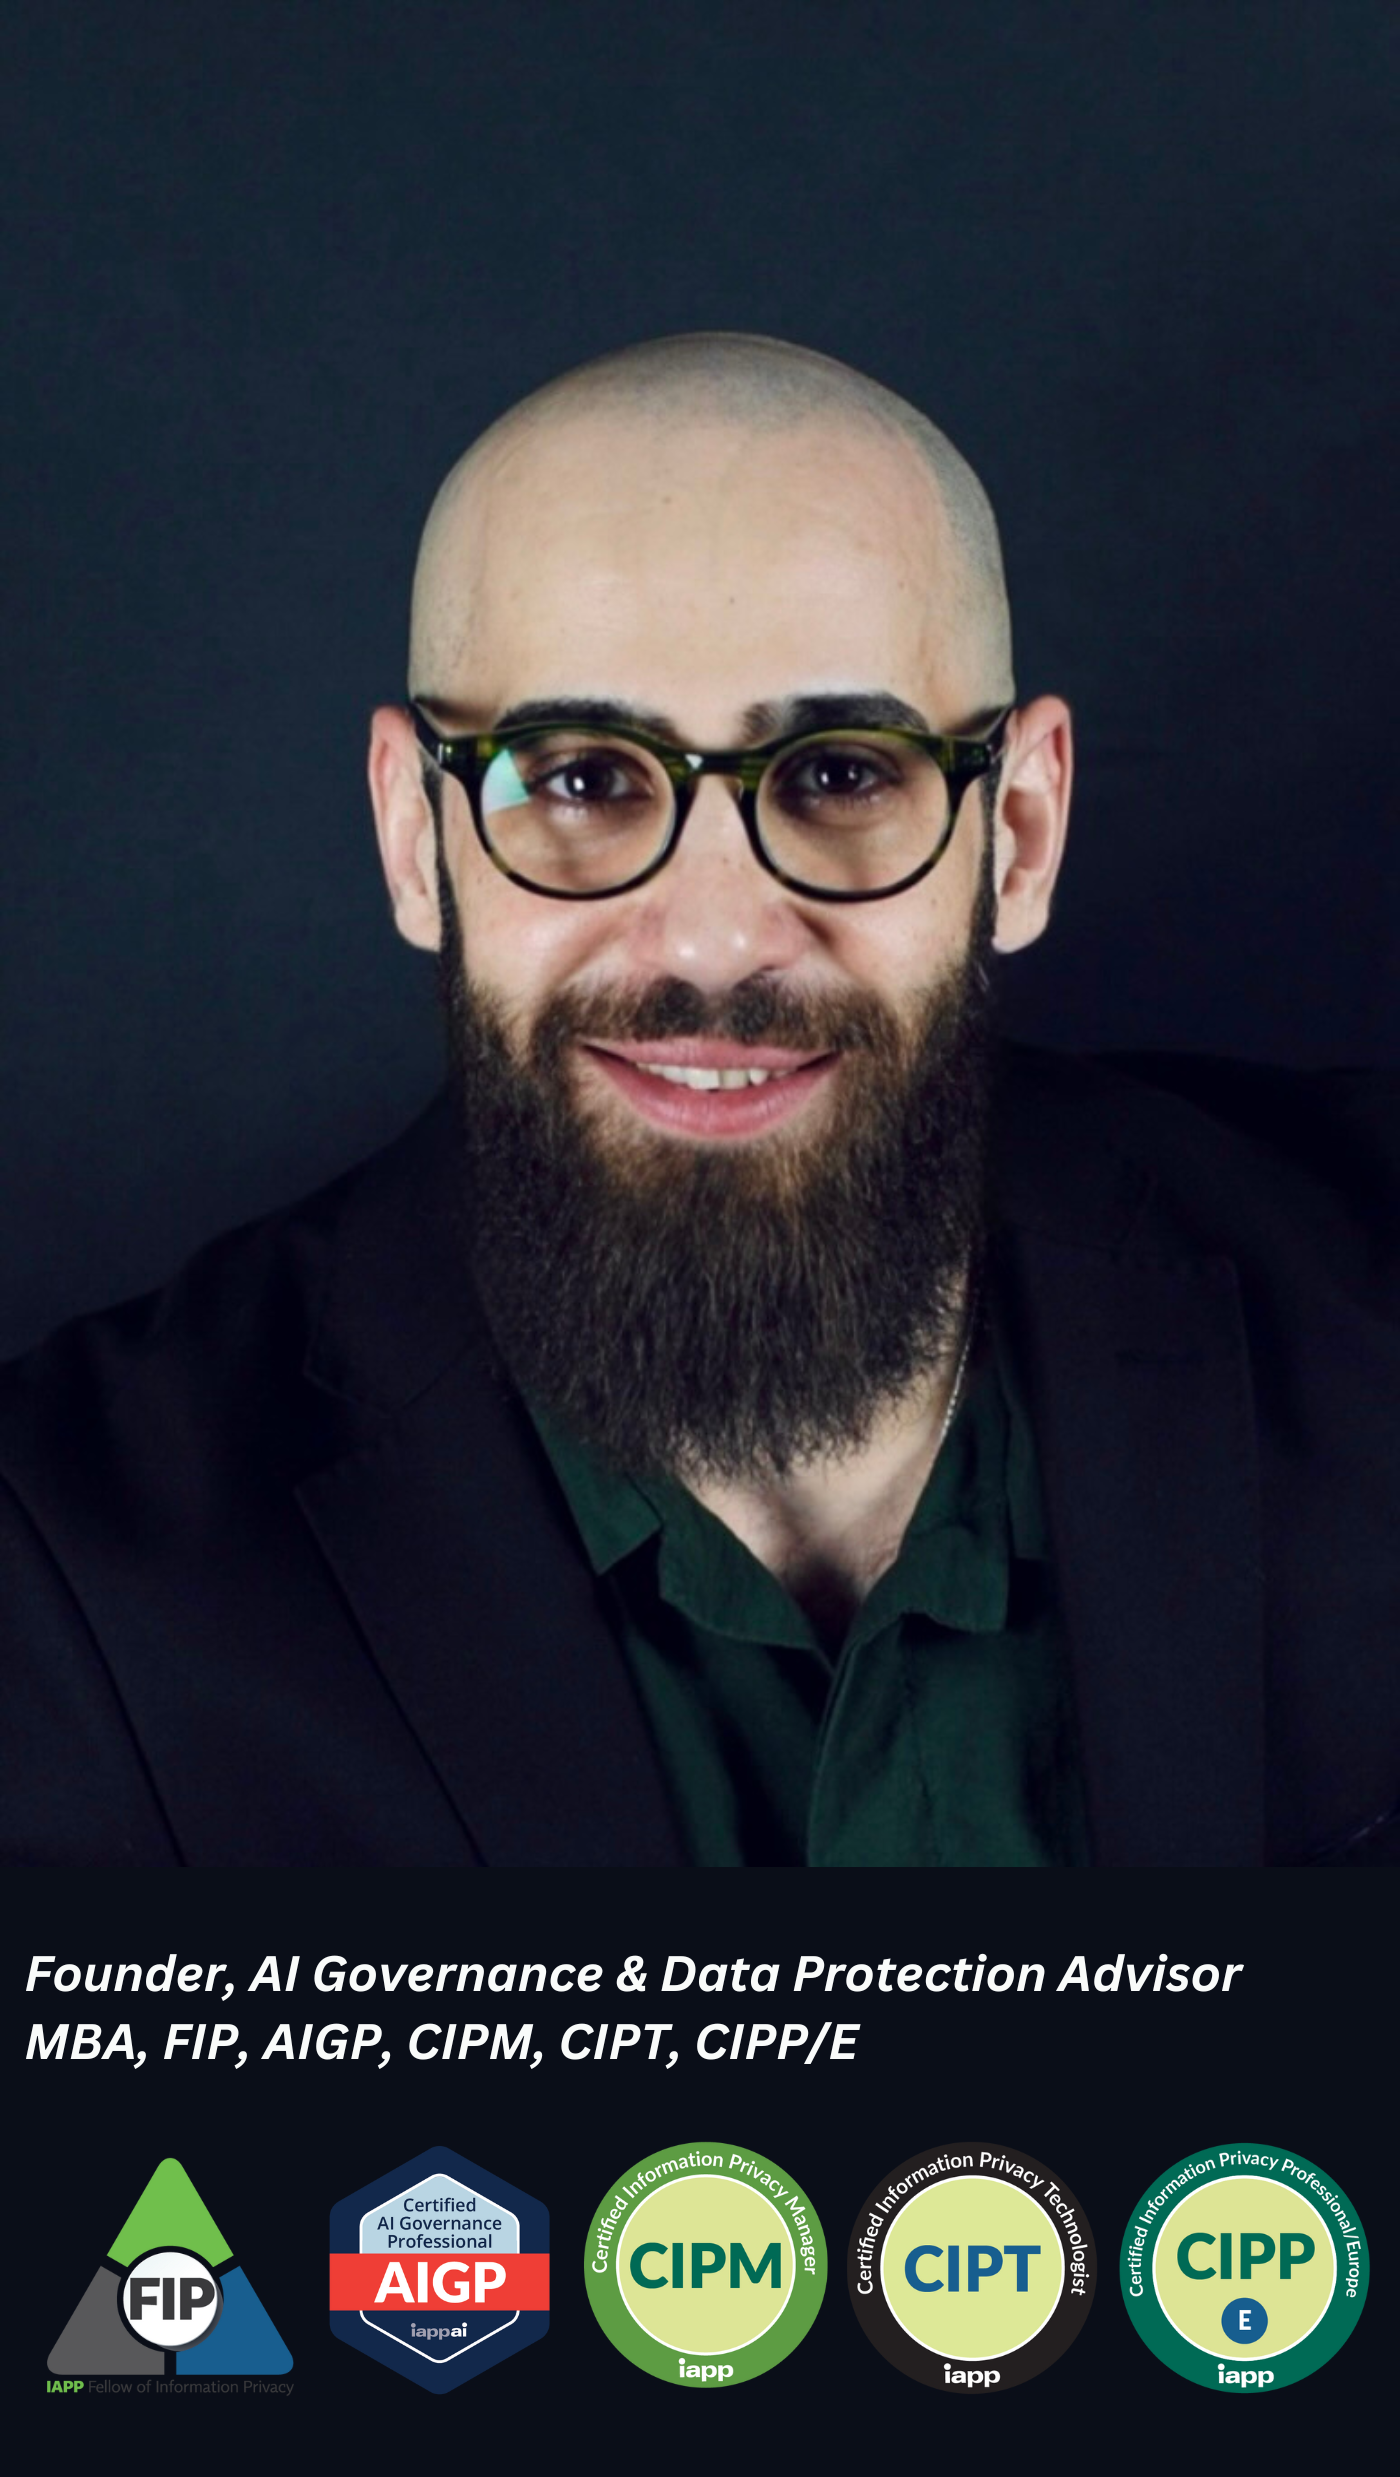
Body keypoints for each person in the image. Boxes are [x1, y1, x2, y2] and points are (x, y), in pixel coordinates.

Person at [2, 332, 1396, 1869]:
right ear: (416, 837)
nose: (721, 937)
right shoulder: (62, 1575)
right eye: (583, 779)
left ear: (1024, 830)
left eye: (845, 774)